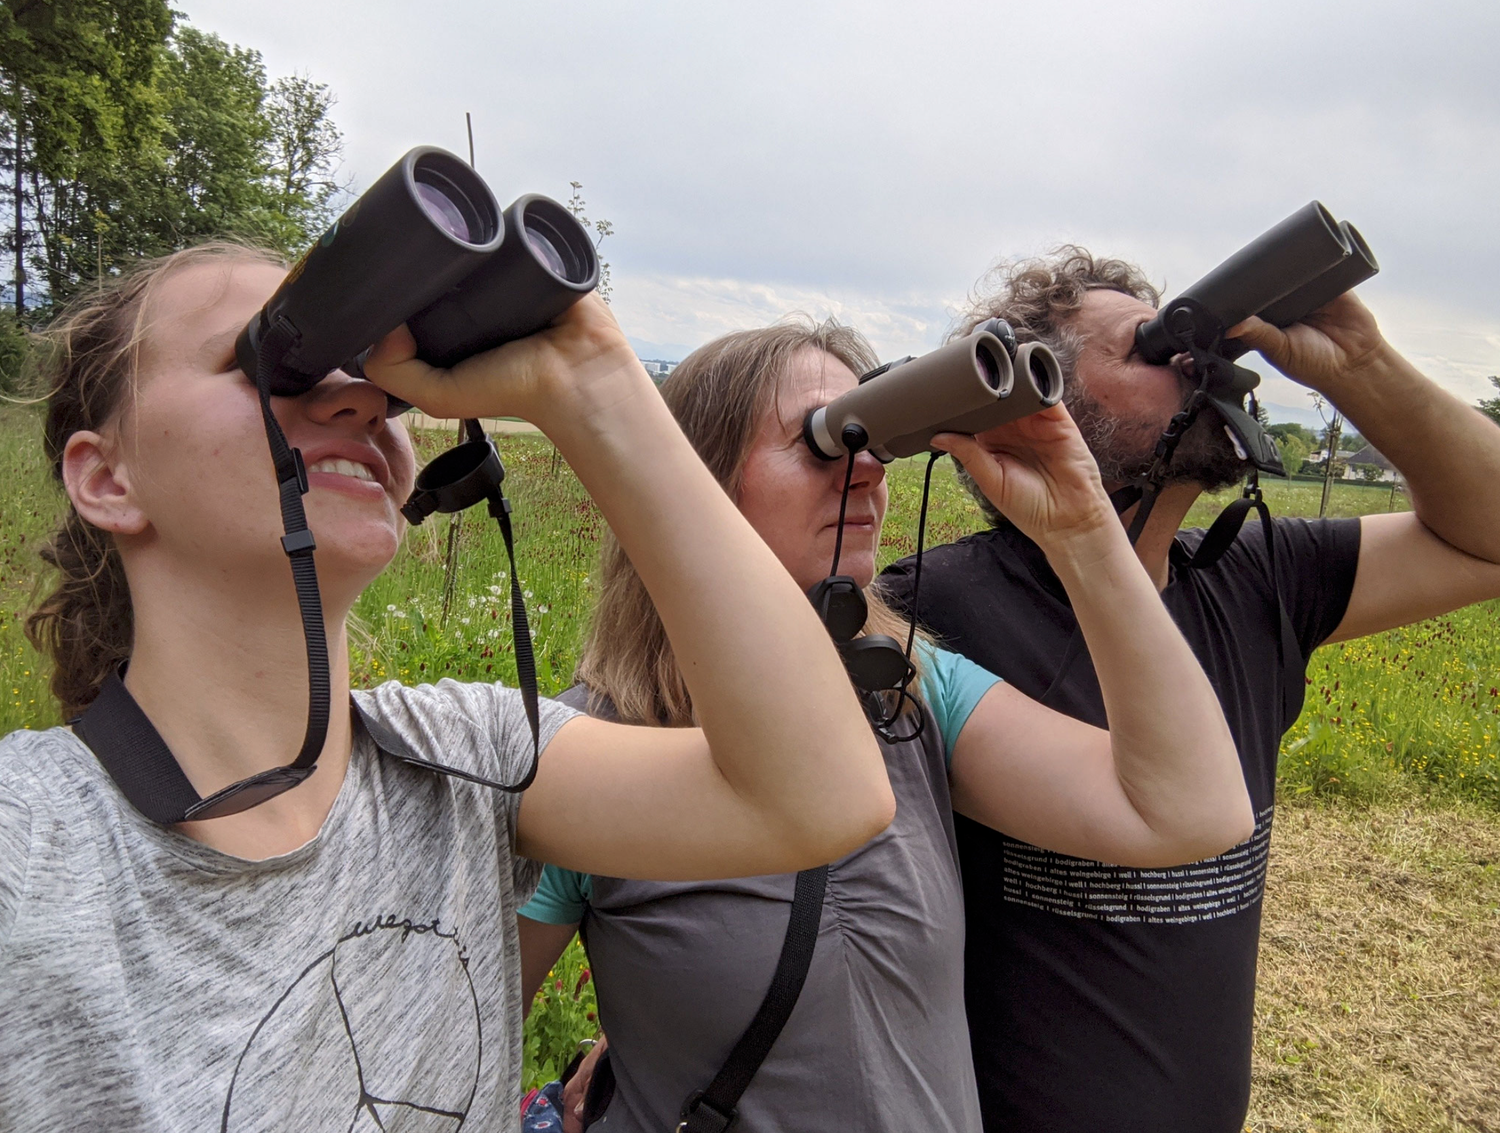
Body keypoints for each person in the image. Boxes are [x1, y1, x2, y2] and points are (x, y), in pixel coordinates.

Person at [0, 243, 901, 1132]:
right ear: (107, 477)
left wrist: (591, 383)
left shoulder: (460, 758)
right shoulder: (30, 845)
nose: (358, 399)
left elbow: (824, 794)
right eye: (269, 361)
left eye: (381, 389)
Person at [517, 318, 1253, 1133]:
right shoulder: (589, 751)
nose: (868, 468)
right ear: (692, 482)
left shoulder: (912, 691)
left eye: (877, 439)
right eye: (822, 440)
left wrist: (1081, 531)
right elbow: (459, 1040)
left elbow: (1191, 812)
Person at [879, 248, 1500, 1133]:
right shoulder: (930, 609)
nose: (1191, 361)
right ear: (1031, 397)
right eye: (1146, 345)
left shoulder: (1262, 574)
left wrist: (1362, 366)